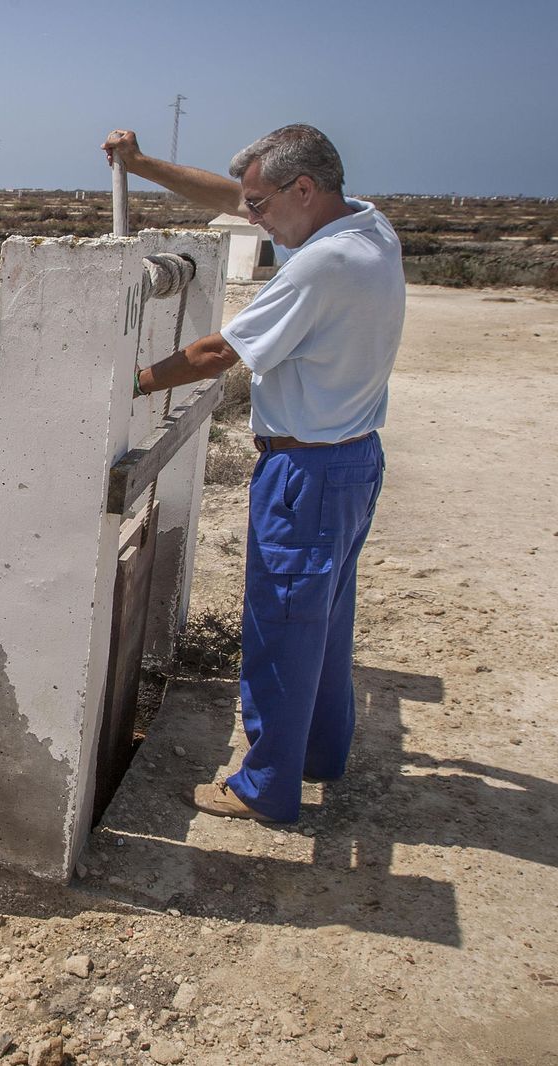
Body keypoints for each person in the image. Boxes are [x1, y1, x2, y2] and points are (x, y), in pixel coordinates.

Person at [100, 125, 405, 823]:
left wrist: (131, 382)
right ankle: (319, 752)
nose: (253, 218)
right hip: (352, 459)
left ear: (305, 189)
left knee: (280, 628)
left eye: (261, 205)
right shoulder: (368, 227)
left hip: (305, 470)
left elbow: (217, 352)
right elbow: (232, 199)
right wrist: (141, 166)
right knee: (323, 622)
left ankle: (265, 787)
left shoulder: (320, 266)